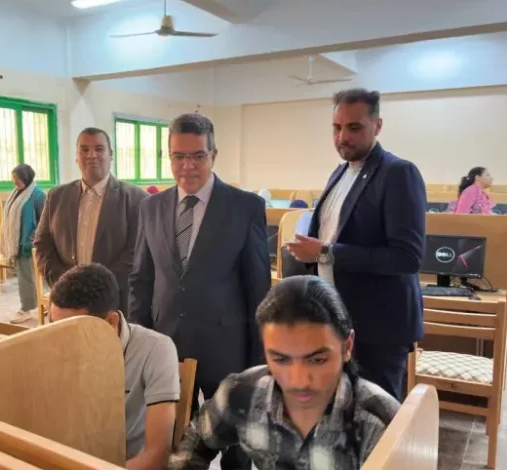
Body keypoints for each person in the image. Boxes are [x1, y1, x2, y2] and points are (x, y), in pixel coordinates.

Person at [129, 113, 271, 470]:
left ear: (213, 155)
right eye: (178, 156)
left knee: (236, 448)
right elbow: (141, 279)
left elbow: (259, 289)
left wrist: (259, 362)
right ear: (168, 156)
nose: (187, 166)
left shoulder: (245, 207)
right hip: (168, 346)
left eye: (197, 156)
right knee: (179, 445)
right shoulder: (151, 207)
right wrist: (138, 342)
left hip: (227, 349)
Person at [169, 276, 400, 470]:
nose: (298, 380)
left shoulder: (379, 422)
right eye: (280, 359)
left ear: (347, 346)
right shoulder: (244, 393)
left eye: (317, 360)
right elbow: (198, 439)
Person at [286, 88, 425, 400]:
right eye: (336, 128)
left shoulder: (398, 173)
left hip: (377, 326)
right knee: (340, 410)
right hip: (334, 317)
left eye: (353, 127)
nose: (342, 137)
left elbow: (407, 257)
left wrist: (325, 252)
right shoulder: (339, 173)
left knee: (376, 415)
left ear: (377, 125)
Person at [49, 263, 179, 470]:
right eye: (53, 326)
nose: (58, 343)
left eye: (71, 331)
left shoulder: (156, 350)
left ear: (110, 322)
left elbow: (157, 457)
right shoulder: (52, 344)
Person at [34, 127, 147, 312]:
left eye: (99, 149)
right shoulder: (56, 196)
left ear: (111, 154)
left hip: (115, 302)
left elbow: (136, 251)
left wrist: (97, 289)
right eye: (84, 149)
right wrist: (66, 282)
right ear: (76, 156)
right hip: (66, 302)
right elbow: (42, 244)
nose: (91, 155)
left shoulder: (136, 198)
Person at [1, 163, 47, 324]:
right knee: (26, 278)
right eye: (14, 178)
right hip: (18, 243)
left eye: (18, 178)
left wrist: (31, 239)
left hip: (29, 245)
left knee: (29, 278)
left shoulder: (37, 195)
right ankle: (33, 306)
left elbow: (45, 221)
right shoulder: (17, 193)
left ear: (26, 178)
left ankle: (26, 309)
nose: (15, 181)